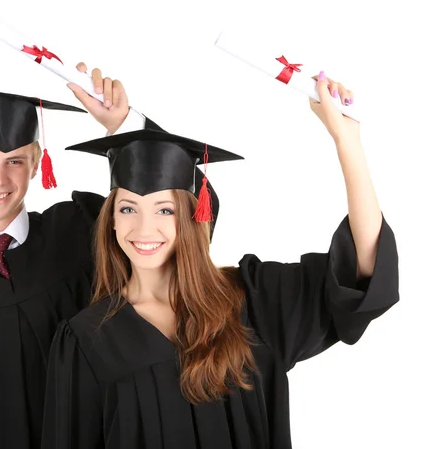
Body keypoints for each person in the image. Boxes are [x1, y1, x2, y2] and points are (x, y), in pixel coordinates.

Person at [0, 63, 218, 449]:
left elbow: (189, 220)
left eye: (14, 161)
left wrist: (125, 127)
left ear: (36, 163)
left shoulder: (81, 231)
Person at [40, 71, 399, 448]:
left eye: (165, 211)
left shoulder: (253, 303)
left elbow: (364, 267)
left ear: (194, 219)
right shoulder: (86, 340)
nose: (144, 228)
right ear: (110, 221)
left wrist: (347, 141)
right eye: (128, 208)